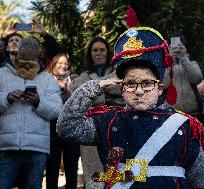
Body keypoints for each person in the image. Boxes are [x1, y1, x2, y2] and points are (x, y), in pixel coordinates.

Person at [57, 27, 204, 189]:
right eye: (131, 84)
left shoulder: (184, 125)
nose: (139, 91)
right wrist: (93, 87)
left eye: (147, 83)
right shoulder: (108, 122)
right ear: (121, 88)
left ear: (160, 88)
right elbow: (66, 127)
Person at [0, 37, 63, 189]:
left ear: (37, 56)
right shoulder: (2, 74)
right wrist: (6, 98)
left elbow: (57, 110)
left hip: (37, 149)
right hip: (7, 147)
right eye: (23, 58)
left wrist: (38, 102)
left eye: (31, 58)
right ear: (17, 54)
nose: (27, 63)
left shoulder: (47, 80)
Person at [70, 37, 124, 189]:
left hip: (117, 125)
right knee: (94, 177)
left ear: (108, 53)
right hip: (92, 127)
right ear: (90, 53)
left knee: (120, 172)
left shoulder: (118, 70)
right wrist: (107, 92)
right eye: (95, 50)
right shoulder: (83, 75)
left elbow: (122, 87)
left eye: (102, 50)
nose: (98, 53)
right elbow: (74, 90)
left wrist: (92, 91)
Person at [45, 53, 80, 189]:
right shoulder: (46, 80)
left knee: (71, 166)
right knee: (52, 166)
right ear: (53, 64)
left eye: (65, 63)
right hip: (52, 127)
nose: (63, 66)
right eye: (60, 63)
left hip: (71, 128)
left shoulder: (74, 79)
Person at [164, 40, 204, 123]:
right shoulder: (164, 67)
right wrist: (170, 61)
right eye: (173, 47)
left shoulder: (192, 63)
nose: (177, 49)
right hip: (172, 114)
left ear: (185, 48)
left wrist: (183, 58)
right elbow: (164, 84)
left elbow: (197, 79)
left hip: (194, 112)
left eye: (180, 46)